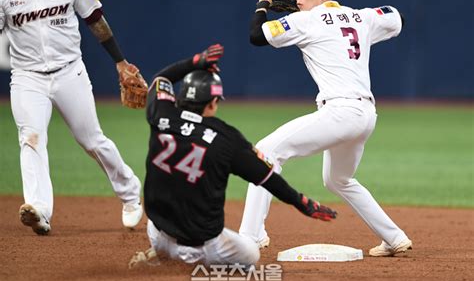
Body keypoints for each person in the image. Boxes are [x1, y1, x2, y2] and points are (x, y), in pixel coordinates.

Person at [239, 0, 412, 257]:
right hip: (365, 116)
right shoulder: (362, 17)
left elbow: (256, 36)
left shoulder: (305, 21)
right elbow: (398, 18)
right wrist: (354, 17)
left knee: (265, 153)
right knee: (338, 179)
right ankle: (394, 237)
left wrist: (264, 5)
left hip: (340, 112)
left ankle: (249, 237)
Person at [129, 44, 337, 268]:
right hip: (202, 249)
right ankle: (188, 261)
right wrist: (301, 202)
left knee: (162, 218)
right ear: (213, 102)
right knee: (251, 254)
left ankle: (162, 253)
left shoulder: (161, 113)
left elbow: (162, 78)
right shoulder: (225, 138)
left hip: (158, 233)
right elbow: (266, 178)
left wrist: (196, 61)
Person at [0, 0, 144, 235]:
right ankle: (38, 209)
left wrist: (120, 62)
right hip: (27, 78)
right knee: (31, 138)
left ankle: (131, 193)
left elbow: (96, 22)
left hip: (69, 73)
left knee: (91, 140)